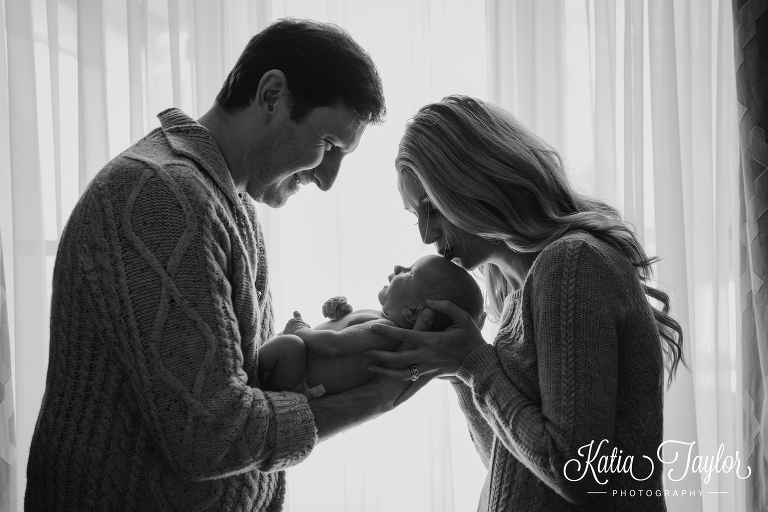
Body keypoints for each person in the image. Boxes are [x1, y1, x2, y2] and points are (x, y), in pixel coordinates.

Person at [25, 19, 424, 512]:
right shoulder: (162, 195)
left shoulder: (224, 198)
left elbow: (222, 380)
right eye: (328, 145)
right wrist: (378, 397)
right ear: (272, 95)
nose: (327, 180)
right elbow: (211, 435)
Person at [365, 95, 685, 511]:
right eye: (416, 216)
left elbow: (580, 474)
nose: (426, 235)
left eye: (432, 207)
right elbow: (511, 467)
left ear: (472, 181)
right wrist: (458, 372)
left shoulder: (572, 265)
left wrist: (475, 366)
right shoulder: (517, 294)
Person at [259, 255, 484, 398]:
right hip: (299, 370)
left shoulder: (384, 332)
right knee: (286, 345)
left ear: (413, 312)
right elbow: (346, 336)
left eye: (409, 272)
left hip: (299, 379)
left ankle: (245, 368)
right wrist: (341, 314)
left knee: (290, 345)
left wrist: (300, 329)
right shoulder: (380, 321)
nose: (398, 267)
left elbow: (333, 346)